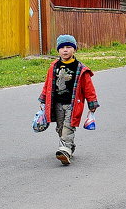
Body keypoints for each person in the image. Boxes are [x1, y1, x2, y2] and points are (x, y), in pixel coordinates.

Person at [38, 34, 99, 165]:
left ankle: (64, 151)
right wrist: (43, 100)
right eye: (62, 47)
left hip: (73, 104)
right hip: (57, 104)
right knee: (60, 128)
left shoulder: (81, 69)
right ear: (58, 50)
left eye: (68, 47)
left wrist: (92, 103)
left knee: (68, 127)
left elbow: (89, 88)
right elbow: (47, 85)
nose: (65, 50)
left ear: (74, 50)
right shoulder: (54, 67)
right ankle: (69, 146)